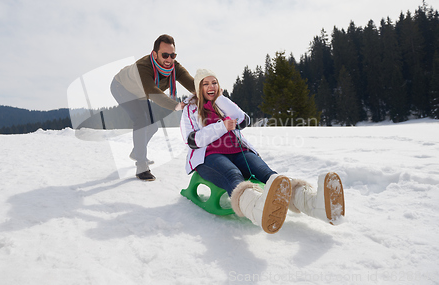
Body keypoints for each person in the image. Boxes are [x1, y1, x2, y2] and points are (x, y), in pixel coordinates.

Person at [180, 69, 345, 234]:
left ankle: (314, 204)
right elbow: (193, 140)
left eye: (214, 83)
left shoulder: (222, 104)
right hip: (209, 155)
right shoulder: (190, 110)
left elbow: (244, 120)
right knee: (233, 174)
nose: (211, 87)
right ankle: (256, 209)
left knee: (269, 175)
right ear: (198, 88)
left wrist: (221, 100)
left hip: (239, 150)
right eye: (206, 84)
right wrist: (221, 127)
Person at [111, 34, 195, 181]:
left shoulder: (174, 67)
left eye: (172, 55)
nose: (169, 59)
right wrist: (175, 105)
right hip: (122, 87)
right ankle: (141, 166)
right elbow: (153, 93)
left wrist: (211, 93)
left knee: (153, 127)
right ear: (155, 54)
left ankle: (137, 151)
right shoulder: (143, 67)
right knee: (142, 121)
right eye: (165, 55)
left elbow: (192, 84)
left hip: (141, 93)